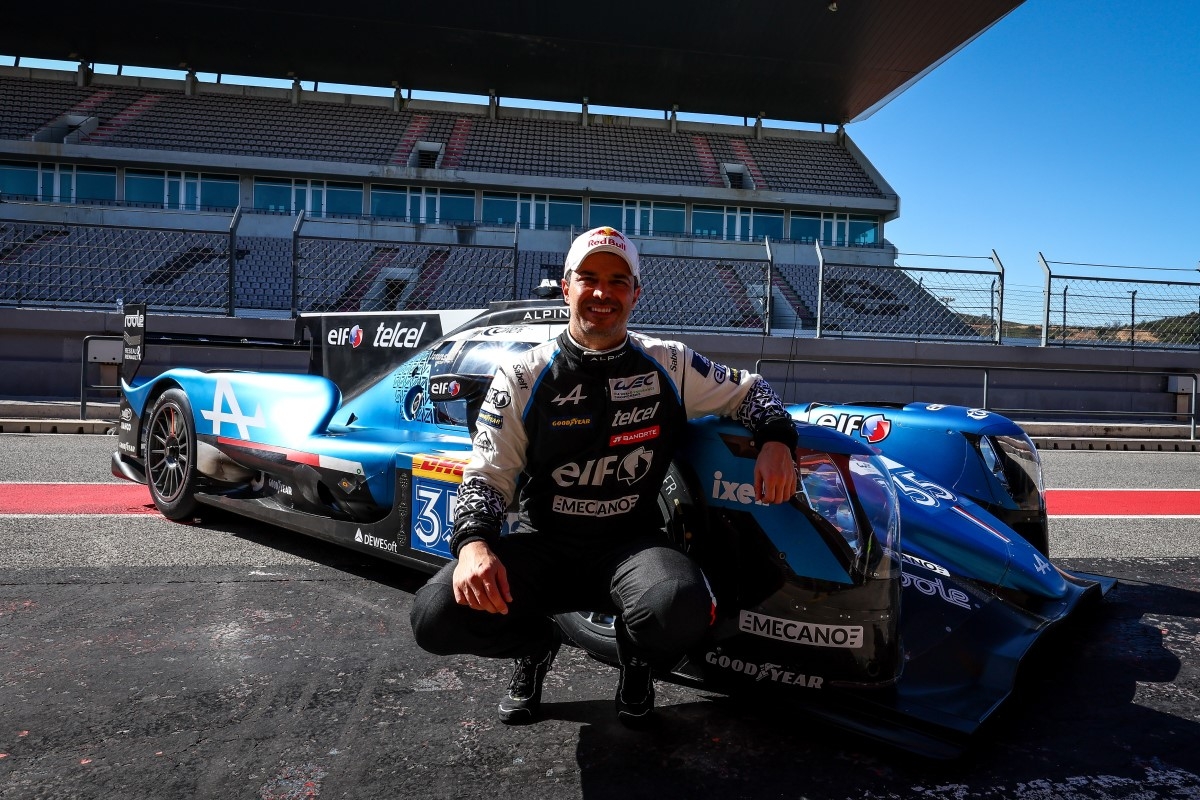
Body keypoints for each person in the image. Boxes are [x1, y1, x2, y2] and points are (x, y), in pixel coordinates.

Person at [409, 226, 798, 726]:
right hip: (543, 546)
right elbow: (487, 475)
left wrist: (776, 441)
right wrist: (474, 545)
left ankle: (635, 661)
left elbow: (752, 392)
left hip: (630, 547)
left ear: (636, 293)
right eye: (589, 278)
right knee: (435, 615)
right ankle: (535, 646)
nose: (602, 292)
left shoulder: (670, 362)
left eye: (618, 281)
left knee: (682, 605)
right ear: (566, 287)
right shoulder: (523, 374)